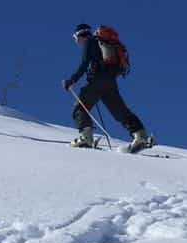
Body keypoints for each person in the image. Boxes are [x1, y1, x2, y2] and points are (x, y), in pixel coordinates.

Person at [62, 23, 152, 152]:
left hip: (97, 81)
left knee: (79, 107)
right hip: (110, 81)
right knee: (120, 111)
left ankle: (86, 138)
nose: (77, 41)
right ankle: (140, 135)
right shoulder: (103, 43)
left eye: (75, 38)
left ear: (80, 35)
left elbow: (84, 64)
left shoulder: (90, 42)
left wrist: (71, 80)